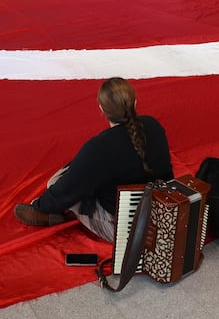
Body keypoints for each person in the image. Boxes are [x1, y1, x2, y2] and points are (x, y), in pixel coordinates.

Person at [13, 77, 173, 241]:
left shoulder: (99, 147)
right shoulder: (153, 125)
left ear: (101, 109)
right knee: (82, 175)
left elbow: (67, 188)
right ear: (135, 102)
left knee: (57, 182)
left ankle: (49, 214)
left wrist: (39, 206)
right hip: (162, 214)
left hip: (124, 229)